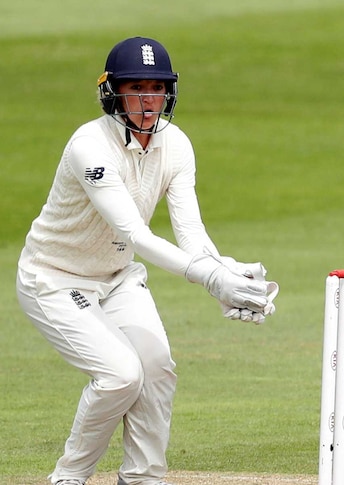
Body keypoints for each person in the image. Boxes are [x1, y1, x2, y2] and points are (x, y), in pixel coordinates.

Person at [15, 37, 279, 485]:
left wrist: (223, 268)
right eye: (135, 87)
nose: (147, 99)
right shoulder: (89, 147)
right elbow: (134, 233)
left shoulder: (176, 146)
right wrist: (211, 280)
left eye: (156, 88)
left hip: (117, 276)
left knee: (155, 367)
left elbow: (191, 234)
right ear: (112, 92)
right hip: (55, 278)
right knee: (121, 375)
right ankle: (68, 478)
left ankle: (142, 479)